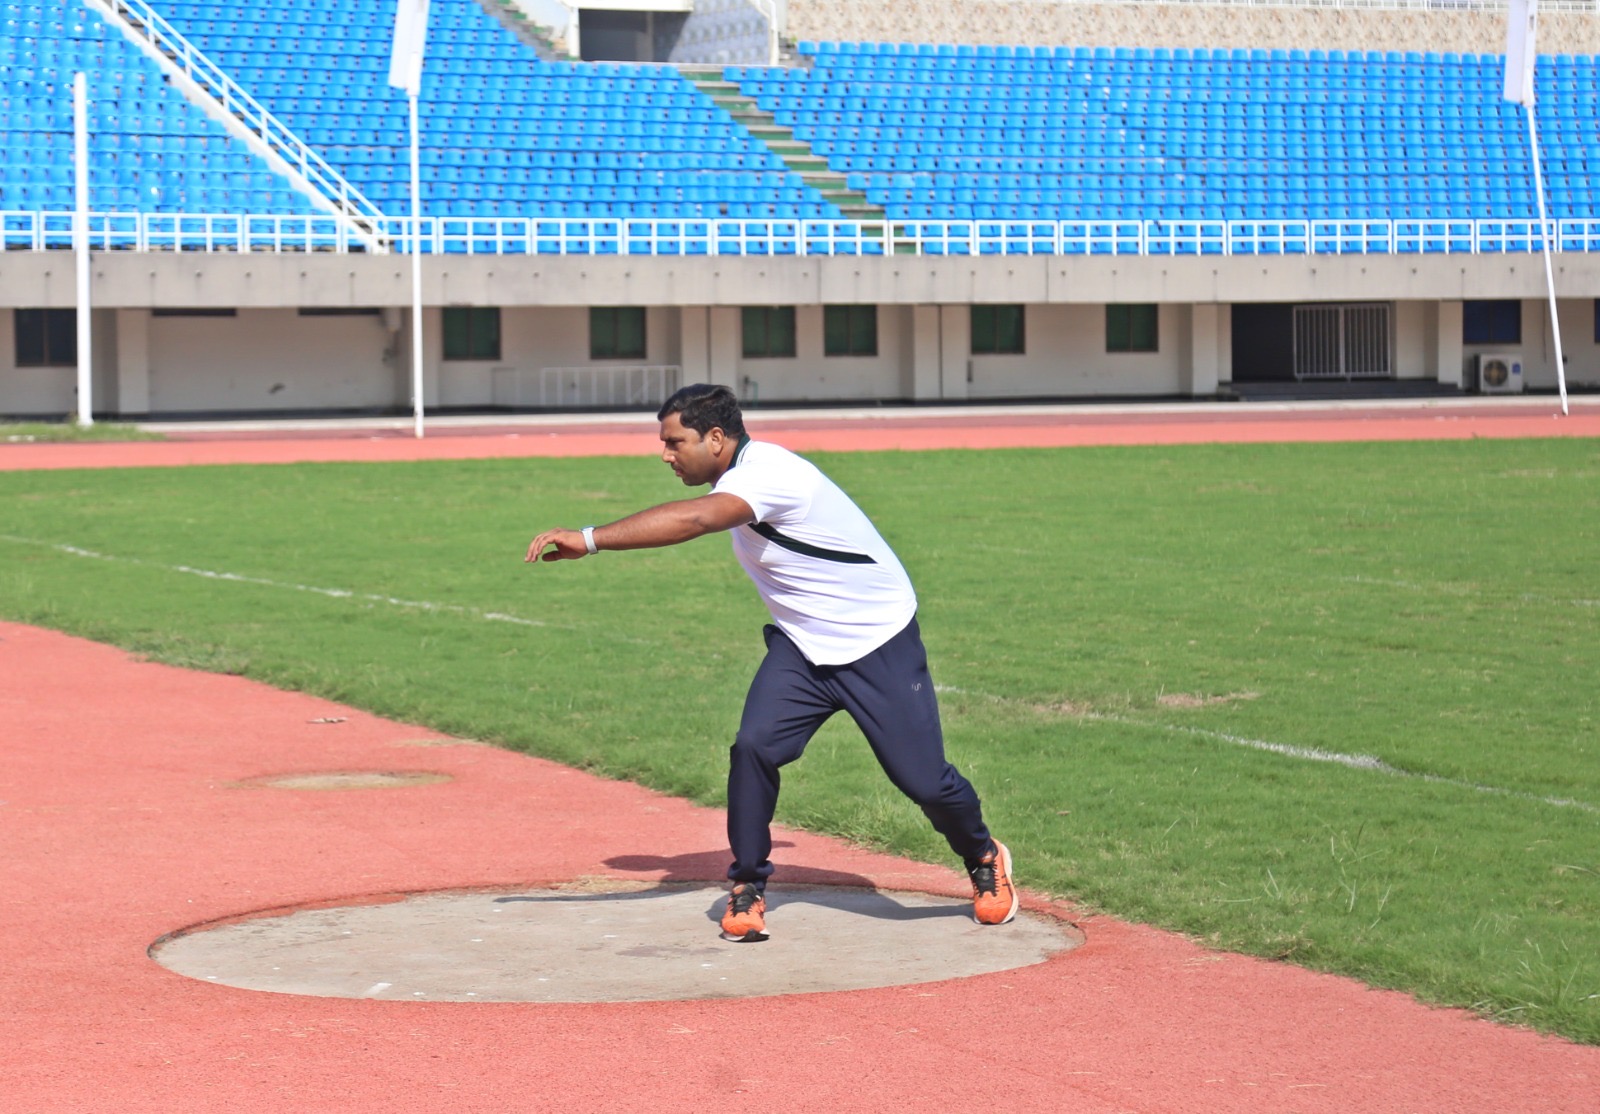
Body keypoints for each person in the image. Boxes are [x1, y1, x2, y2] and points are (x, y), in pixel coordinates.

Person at [525, 384, 1016, 942]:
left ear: (716, 438)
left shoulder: (769, 474)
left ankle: (982, 856)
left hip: (875, 640)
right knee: (753, 747)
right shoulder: (739, 475)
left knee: (924, 781)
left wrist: (589, 539)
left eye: (673, 441)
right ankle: (749, 885)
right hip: (803, 646)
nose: (664, 454)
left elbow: (695, 521)